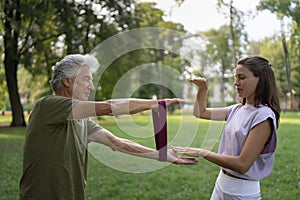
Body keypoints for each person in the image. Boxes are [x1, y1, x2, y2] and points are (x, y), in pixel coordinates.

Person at [19, 54, 197, 200]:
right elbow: (108, 107)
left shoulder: (82, 121)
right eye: (86, 79)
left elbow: (117, 143)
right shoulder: (48, 105)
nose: (91, 86)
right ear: (67, 81)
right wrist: (155, 104)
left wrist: (161, 155)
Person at [173, 55, 281, 199]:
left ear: (260, 80)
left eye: (242, 78)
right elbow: (200, 112)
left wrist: (202, 152)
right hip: (221, 185)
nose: (236, 83)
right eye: (235, 78)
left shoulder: (263, 116)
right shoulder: (237, 109)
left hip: (242, 193)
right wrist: (203, 89)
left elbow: (242, 165)